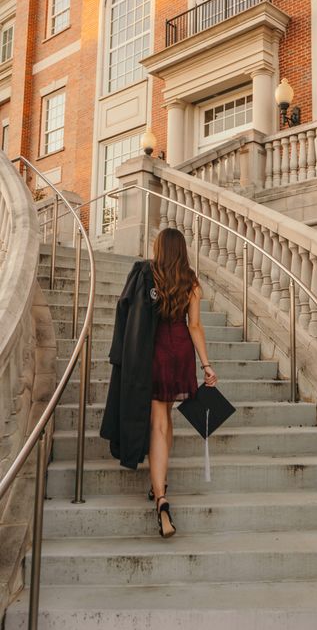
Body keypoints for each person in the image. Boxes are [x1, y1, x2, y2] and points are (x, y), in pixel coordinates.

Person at [100, 228, 217, 539]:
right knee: (166, 418)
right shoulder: (190, 281)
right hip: (179, 352)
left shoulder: (145, 274)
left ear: (159, 248)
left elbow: (127, 313)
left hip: (152, 352)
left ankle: (161, 498)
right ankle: (160, 482)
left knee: (159, 422)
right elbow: (194, 325)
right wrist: (206, 365)